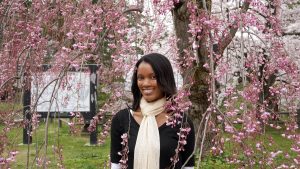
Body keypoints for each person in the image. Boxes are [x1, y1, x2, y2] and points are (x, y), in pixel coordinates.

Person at [110, 53, 195, 169]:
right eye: (141, 78)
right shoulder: (122, 119)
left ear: (165, 79)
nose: (146, 83)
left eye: (153, 77)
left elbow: (188, 167)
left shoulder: (181, 122)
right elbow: (116, 165)